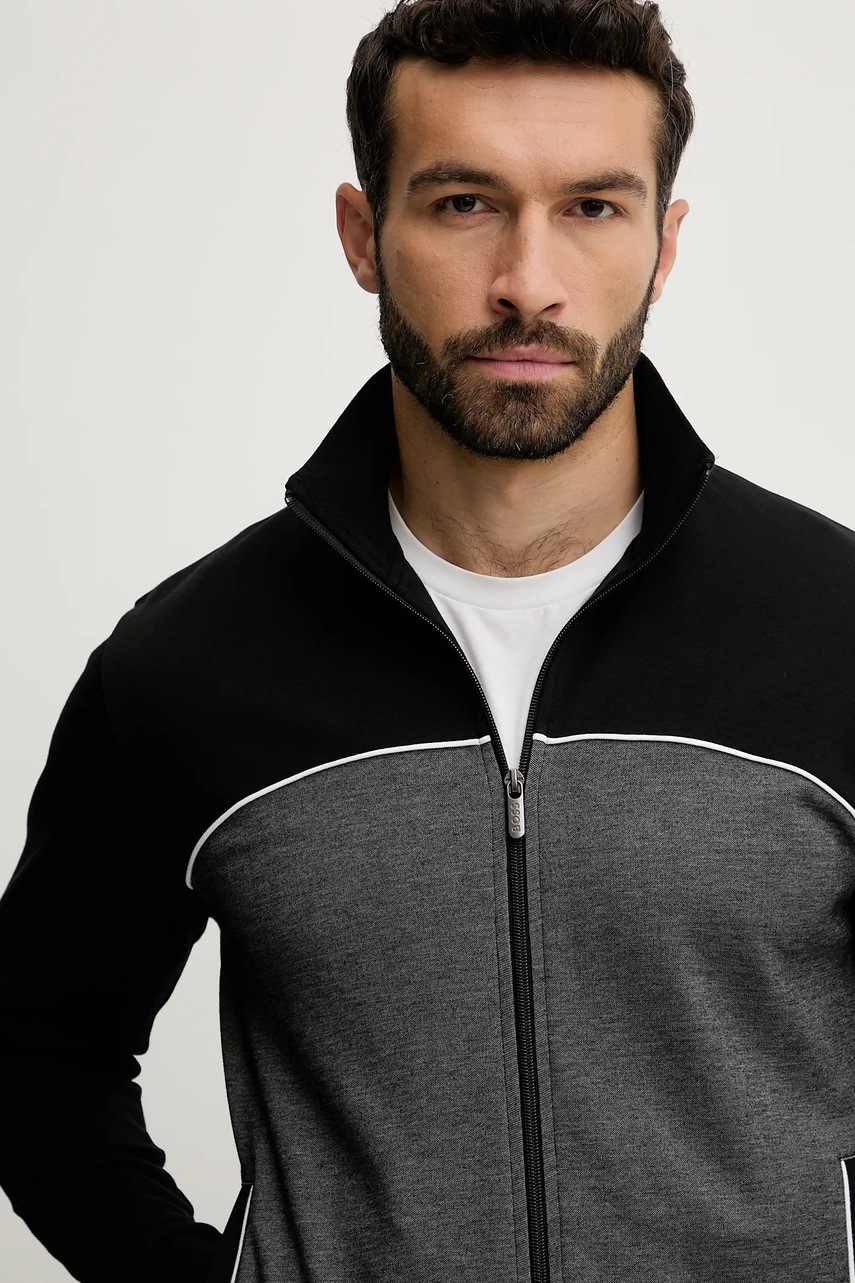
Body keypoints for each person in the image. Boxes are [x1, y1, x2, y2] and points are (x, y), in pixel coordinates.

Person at [3, 0, 855, 1280]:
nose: (528, 280)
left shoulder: (835, 628)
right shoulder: (187, 667)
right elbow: (35, 1053)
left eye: (593, 206)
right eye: (464, 203)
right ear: (364, 236)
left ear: (665, 245)